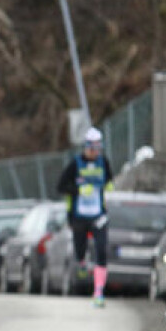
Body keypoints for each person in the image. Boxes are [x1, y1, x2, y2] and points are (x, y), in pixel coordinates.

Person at [56, 126, 114, 307]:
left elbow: (109, 179)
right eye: (92, 148)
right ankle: (81, 262)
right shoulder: (75, 164)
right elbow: (60, 186)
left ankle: (99, 292)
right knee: (80, 248)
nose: (95, 152)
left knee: (101, 250)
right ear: (86, 147)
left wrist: (109, 186)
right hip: (79, 216)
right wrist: (79, 190)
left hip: (98, 215)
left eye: (98, 148)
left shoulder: (103, 162)